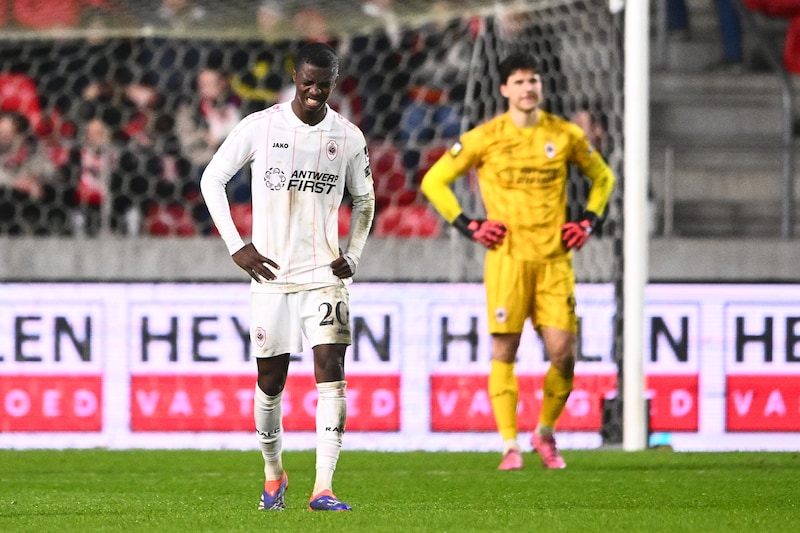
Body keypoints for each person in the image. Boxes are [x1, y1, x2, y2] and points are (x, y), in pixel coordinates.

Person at [200, 42, 375, 511]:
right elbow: (211, 179)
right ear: (295, 77)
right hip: (271, 277)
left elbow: (365, 200)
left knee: (331, 373)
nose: (315, 91)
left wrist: (354, 255)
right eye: (308, 82)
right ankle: (274, 474)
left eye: (325, 84)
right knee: (270, 381)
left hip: (324, 275)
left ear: (334, 83)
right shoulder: (261, 126)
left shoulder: (348, 137)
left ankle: (324, 488)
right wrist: (237, 246)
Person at [420, 52, 615, 470]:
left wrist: (588, 220)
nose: (528, 88)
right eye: (520, 81)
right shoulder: (486, 137)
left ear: (541, 86)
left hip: (554, 260)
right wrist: (470, 225)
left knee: (563, 354)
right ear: (505, 89)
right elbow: (434, 181)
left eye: (533, 80)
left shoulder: (564, 134)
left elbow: (604, 177)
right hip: (507, 260)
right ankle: (510, 445)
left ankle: (544, 432)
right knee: (505, 350)